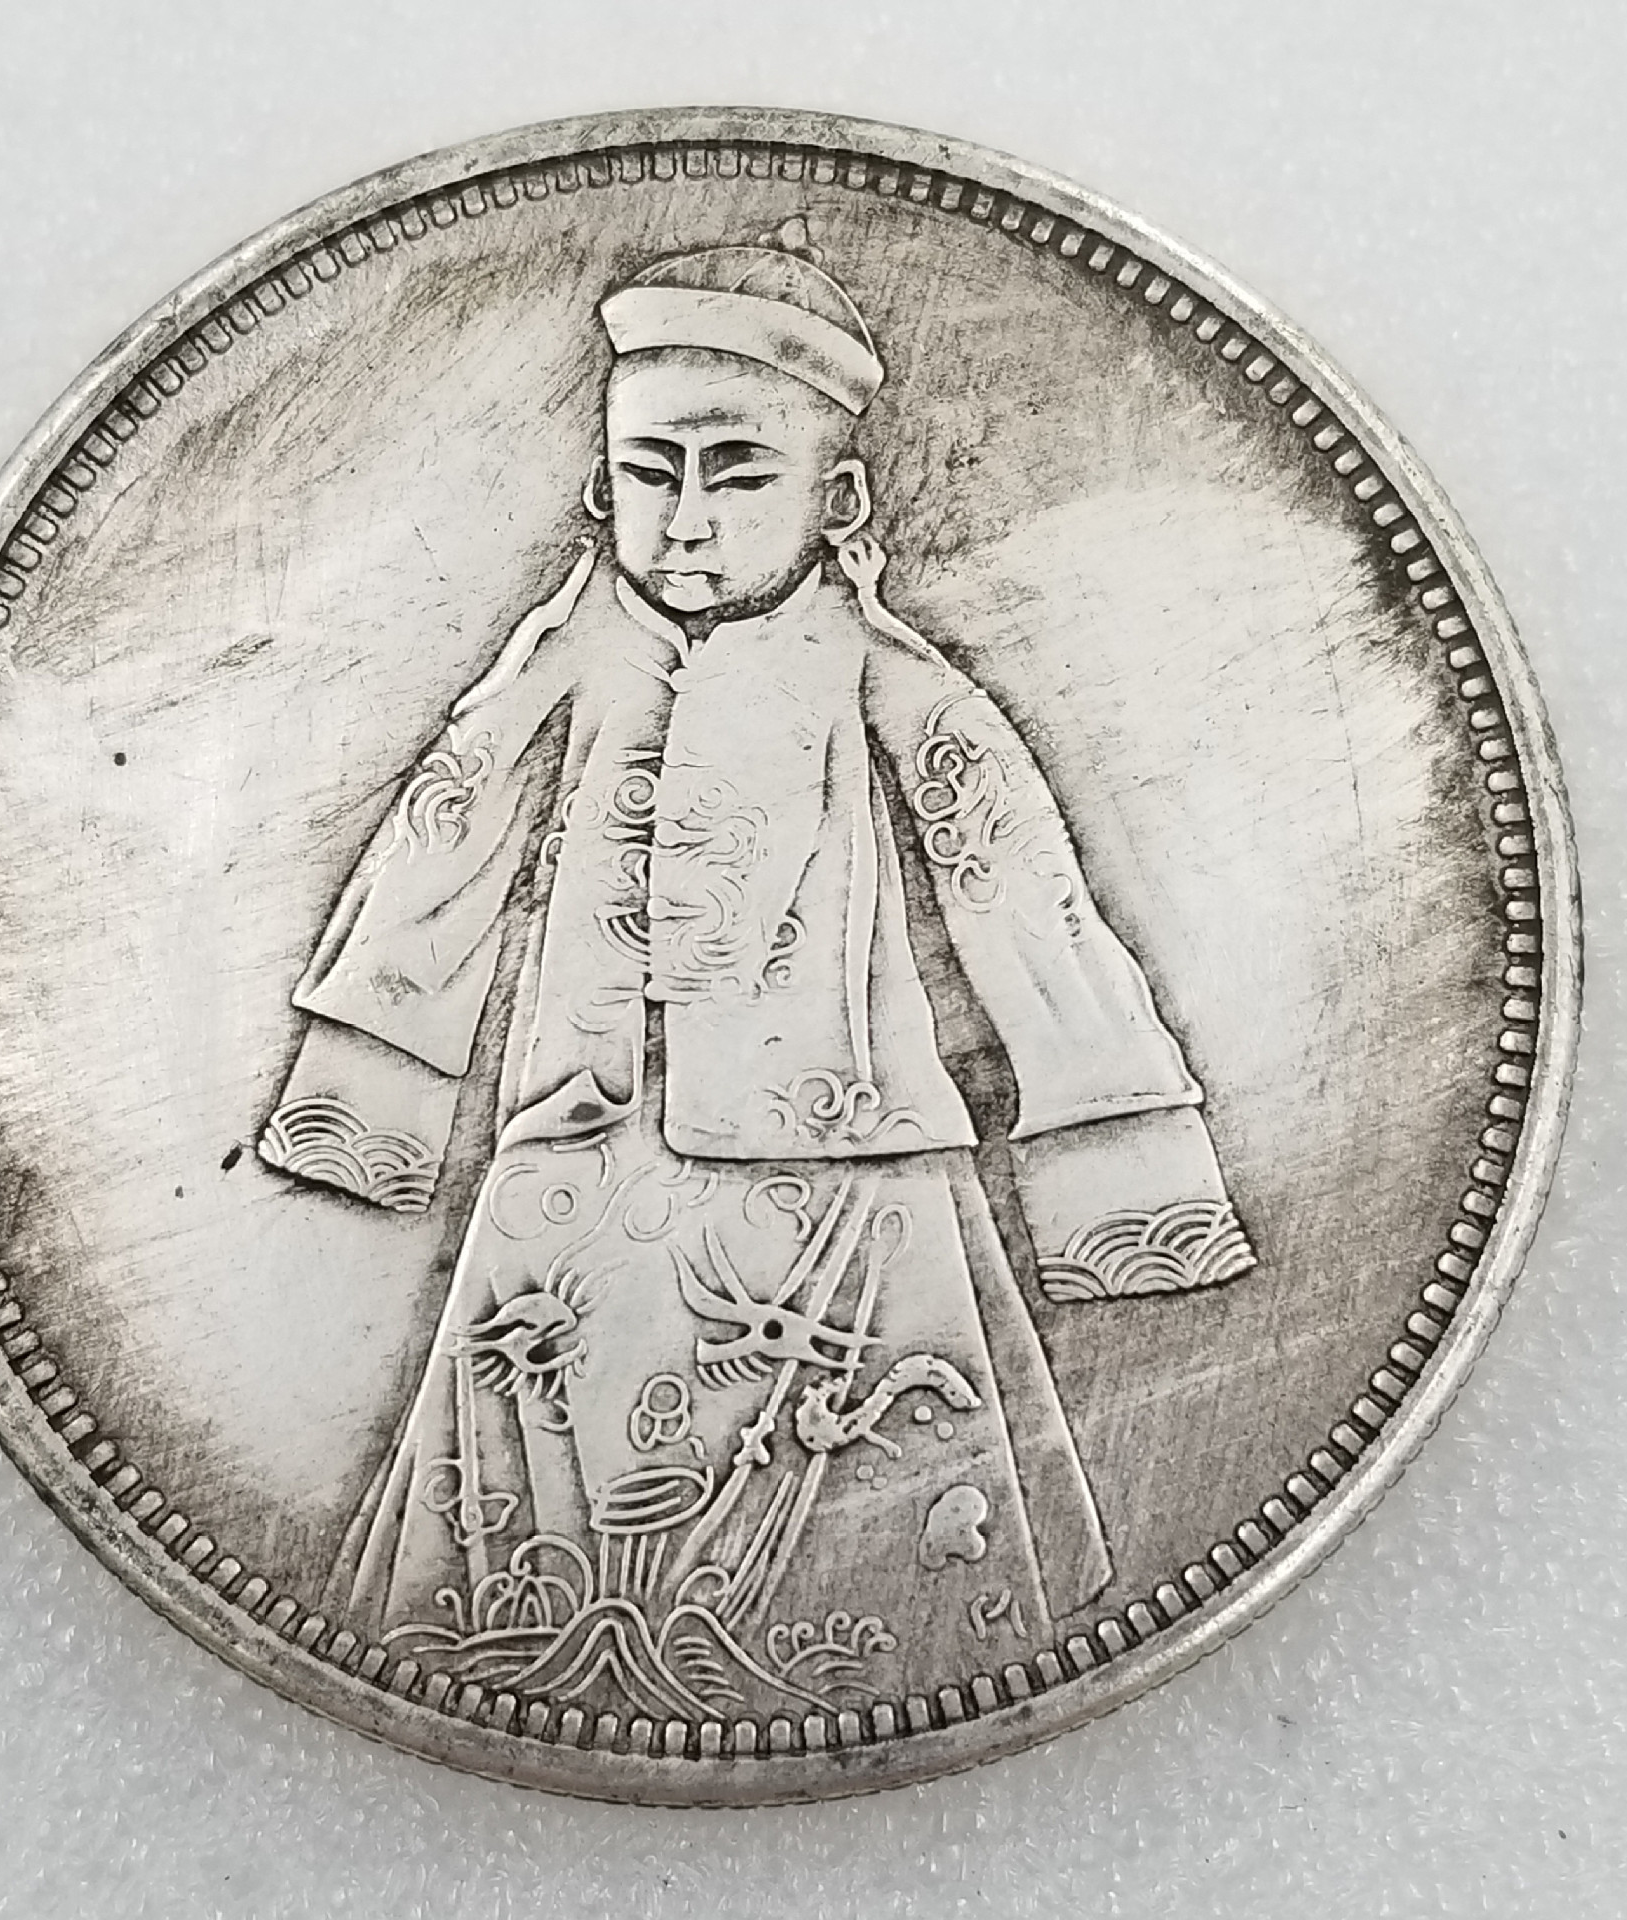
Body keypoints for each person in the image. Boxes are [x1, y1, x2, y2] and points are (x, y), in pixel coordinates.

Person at [258, 228, 1255, 1724]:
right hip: (573, 1174)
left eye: (736, 475)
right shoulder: (562, 661)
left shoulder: (891, 683)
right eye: (651, 473)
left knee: (894, 1555)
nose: (686, 523)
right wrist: (364, 1108)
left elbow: (1027, 909)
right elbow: (436, 863)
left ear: (835, 500)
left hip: (861, 1185)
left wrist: (1124, 1188)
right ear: (600, 489)